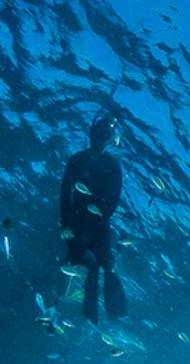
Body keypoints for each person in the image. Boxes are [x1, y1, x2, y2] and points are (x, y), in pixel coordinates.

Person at [60, 114, 126, 322]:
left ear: (109, 139)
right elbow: (64, 194)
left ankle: (110, 314)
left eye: (104, 136)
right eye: (98, 134)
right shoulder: (76, 160)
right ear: (91, 134)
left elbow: (114, 199)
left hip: (98, 224)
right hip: (77, 221)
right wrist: (67, 224)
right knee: (91, 265)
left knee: (105, 265)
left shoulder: (113, 166)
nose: (100, 139)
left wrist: (97, 218)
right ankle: (90, 316)